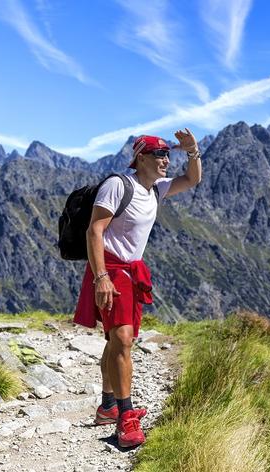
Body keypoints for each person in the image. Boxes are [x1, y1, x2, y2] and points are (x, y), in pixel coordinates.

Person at [73, 129, 202, 448]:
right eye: (160, 154)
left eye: (167, 154)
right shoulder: (118, 185)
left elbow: (191, 179)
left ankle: (108, 405)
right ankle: (126, 417)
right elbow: (94, 231)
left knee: (117, 339)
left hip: (132, 272)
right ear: (141, 158)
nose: (166, 160)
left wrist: (193, 151)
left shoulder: (156, 189)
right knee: (122, 339)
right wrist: (101, 277)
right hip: (111, 269)